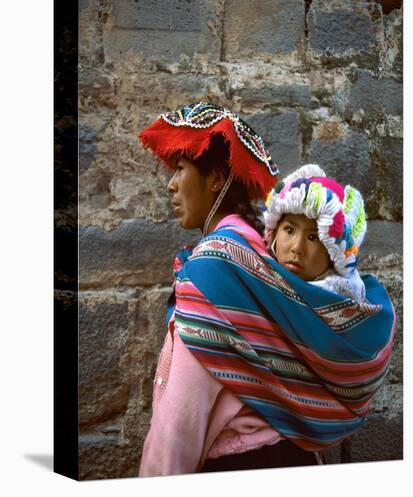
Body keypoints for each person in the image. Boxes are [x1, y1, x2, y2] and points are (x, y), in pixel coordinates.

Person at [137, 102, 396, 477]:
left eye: (180, 168)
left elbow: (180, 421)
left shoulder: (217, 267)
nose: (171, 184)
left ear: (215, 179)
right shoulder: (260, 256)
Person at [264, 164, 367, 303]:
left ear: (334, 255)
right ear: (274, 231)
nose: (297, 248)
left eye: (313, 237)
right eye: (289, 230)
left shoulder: (354, 304)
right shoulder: (251, 282)